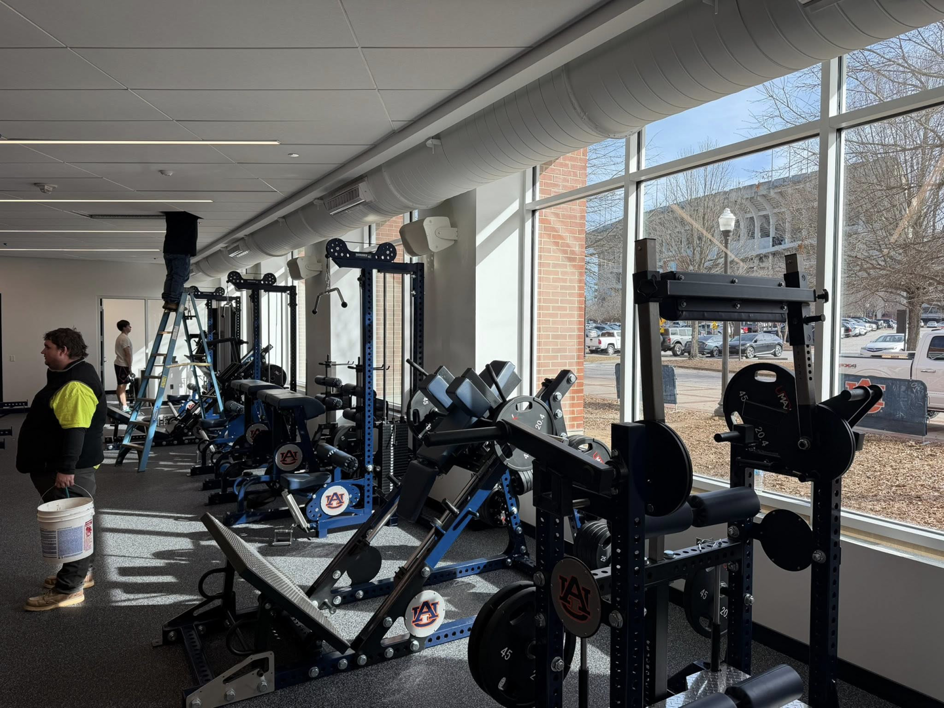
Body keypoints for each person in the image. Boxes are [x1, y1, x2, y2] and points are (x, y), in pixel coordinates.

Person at [16, 328, 106, 612]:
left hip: (68, 470)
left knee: (72, 528)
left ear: (64, 351)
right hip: (60, 466)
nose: (43, 351)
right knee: (74, 525)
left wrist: (66, 470)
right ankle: (81, 574)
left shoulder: (75, 384)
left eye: (47, 347)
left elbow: (76, 431)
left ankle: (69, 590)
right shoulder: (71, 374)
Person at [162, 210, 200, 311]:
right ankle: (172, 301)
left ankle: (169, 300)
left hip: (169, 250)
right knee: (178, 277)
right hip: (181, 251)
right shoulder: (188, 220)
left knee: (172, 276)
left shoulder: (173, 219)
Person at [114, 319, 133, 412]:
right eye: (129, 326)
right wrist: (130, 367)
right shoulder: (124, 338)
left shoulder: (121, 337)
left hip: (120, 364)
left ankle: (121, 405)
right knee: (122, 386)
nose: (130, 327)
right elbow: (127, 354)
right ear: (124, 328)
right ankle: (124, 406)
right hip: (123, 365)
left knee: (120, 385)